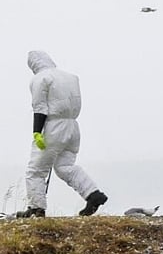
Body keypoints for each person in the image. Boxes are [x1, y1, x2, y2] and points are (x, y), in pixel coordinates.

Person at [16, 51, 108, 218]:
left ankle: (36, 208)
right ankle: (93, 194)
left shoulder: (40, 78)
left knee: (36, 170)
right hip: (73, 126)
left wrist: (37, 132)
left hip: (53, 126)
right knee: (65, 166)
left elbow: (40, 108)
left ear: (33, 64)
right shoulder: (71, 77)